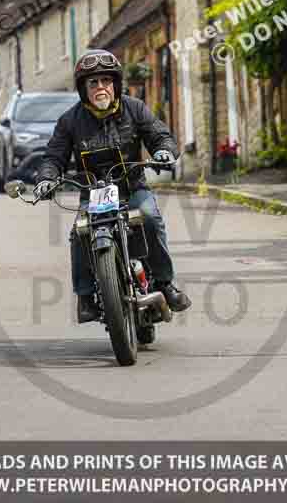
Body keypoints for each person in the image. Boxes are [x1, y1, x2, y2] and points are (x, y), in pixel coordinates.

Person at [33, 49, 191, 324]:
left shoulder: (134, 108)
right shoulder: (70, 121)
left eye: (106, 80)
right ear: (83, 88)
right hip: (94, 196)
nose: (100, 87)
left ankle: (165, 283)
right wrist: (47, 178)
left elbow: (159, 135)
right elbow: (53, 156)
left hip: (132, 188)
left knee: (151, 218)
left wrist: (164, 152)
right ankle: (85, 297)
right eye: (92, 83)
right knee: (79, 232)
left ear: (115, 84)